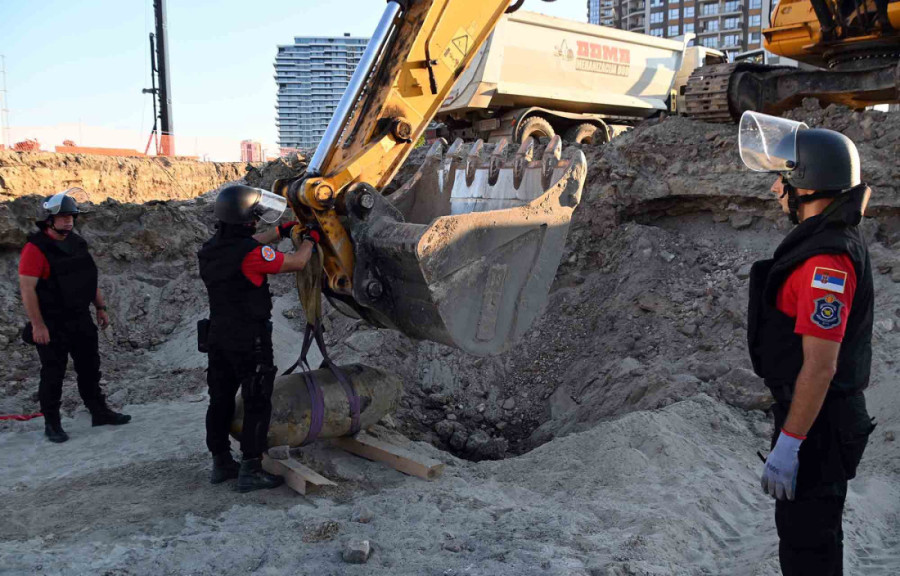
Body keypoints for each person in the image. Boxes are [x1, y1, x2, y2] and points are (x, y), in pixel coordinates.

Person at [741, 112, 877, 575]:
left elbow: (820, 366)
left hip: (818, 429)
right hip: (814, 423)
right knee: (807, 541)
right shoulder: (824, 243)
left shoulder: (827, 262)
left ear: (808, 184)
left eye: (784, 180)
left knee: (809, 550)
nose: (777, 190)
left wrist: (790, 445)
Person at [198, 184, 319, 493]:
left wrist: (279, 231)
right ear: (247, 218)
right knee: (256, 402)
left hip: (218, 337)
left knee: (220, 400)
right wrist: (310, 241)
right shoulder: (252, 256)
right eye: (255, 217)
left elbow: (249, 244)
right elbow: (297, 263)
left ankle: (221, 462)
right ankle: (251, 468)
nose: (257, 222)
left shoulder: (210, 249)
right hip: (248, 339)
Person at [18, 188, 131, 444]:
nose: (69, 220)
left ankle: (99, 412)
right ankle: (52, 423)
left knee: (90, 368)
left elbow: (89, 278)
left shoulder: (77, 243)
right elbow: (27, 290)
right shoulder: (36, 249)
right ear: (49, 219)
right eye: (63, 216)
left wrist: (100, 307)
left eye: (71, 216)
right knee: (53, 374)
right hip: (51, 323)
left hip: (80, 318)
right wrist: (38, 325)